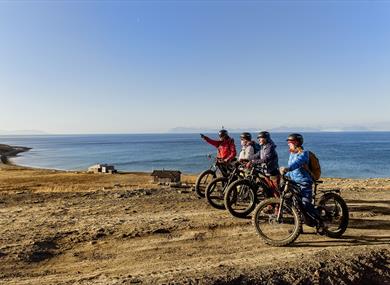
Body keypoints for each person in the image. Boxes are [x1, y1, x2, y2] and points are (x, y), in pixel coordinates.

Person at [279, 133, 318, 222]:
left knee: (306, 204)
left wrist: (287, 168)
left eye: (290, 142)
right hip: (294, 183)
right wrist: (285, 175)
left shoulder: (304, 154)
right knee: (293, 203)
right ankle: (299, 226)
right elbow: (292, 170)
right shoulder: (292, 154)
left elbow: (297, 163)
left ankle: (320, 221)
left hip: (304, 183)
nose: (288, 144)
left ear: (296, 143)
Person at [247, 131, 280, 195]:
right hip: (266, 171)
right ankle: (271, 204)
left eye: (260, 138)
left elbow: (265, 159)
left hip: (272, 172)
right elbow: (256, 155)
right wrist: (247, 159)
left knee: (275, 190)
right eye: (258, 138)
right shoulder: (263, 147)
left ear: (266, 138)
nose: (258, 140)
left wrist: (253, 162)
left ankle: (279, 204)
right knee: (268, 189)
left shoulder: (270, 147)